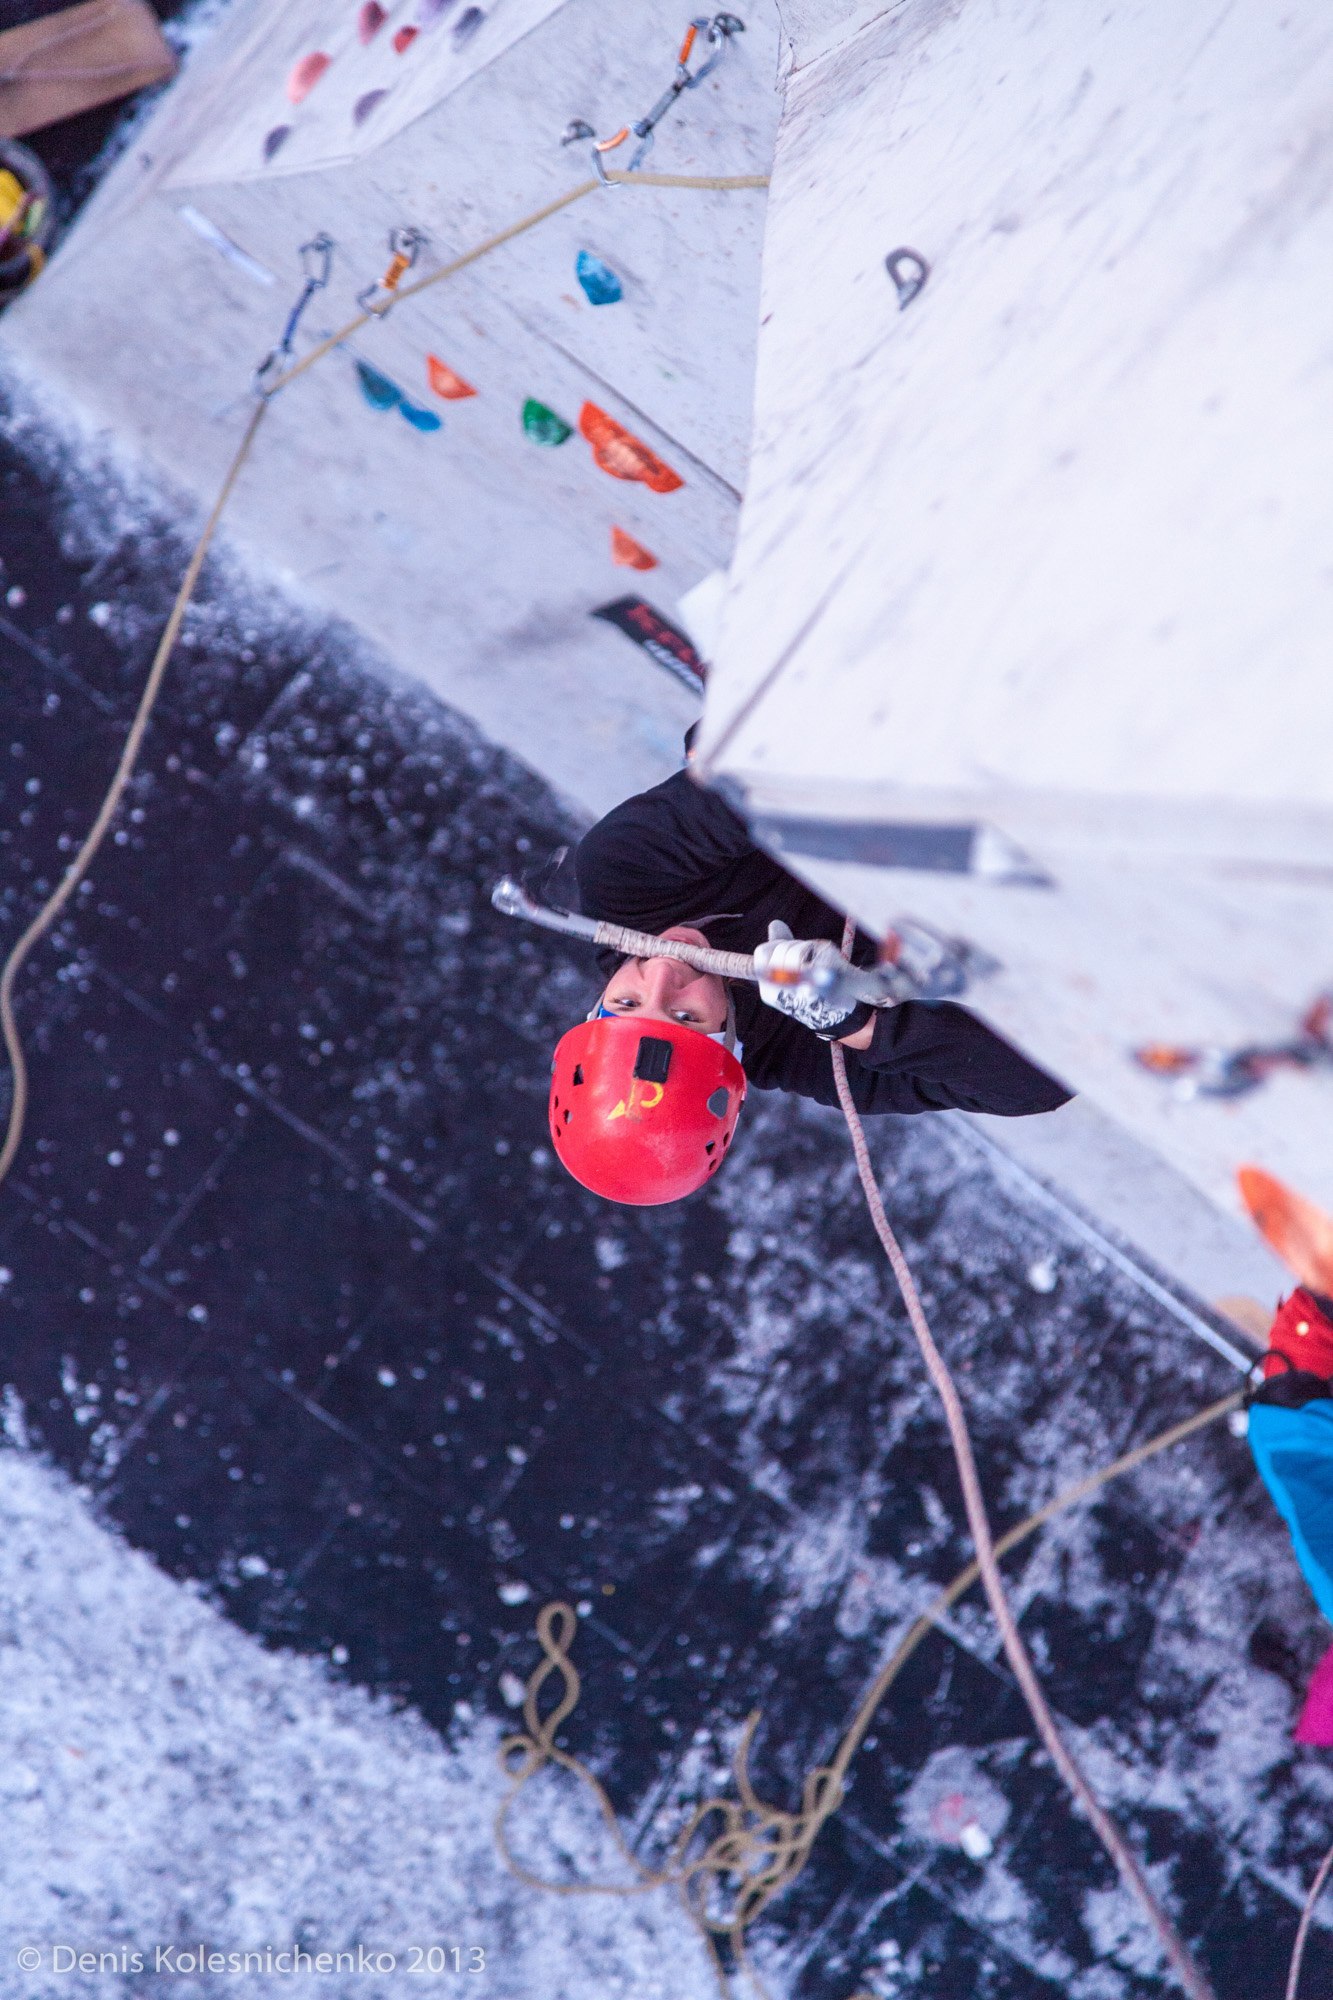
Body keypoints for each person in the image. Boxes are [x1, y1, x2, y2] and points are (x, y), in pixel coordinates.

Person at [543, 763, 1071, 1206]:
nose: (663, 972)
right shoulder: (808, 1055)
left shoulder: (620, 879)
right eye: (686, 1016)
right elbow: (1038, 1084)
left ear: (594, 1010)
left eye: (627, 1001)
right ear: (728, 1044)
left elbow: (762, 768)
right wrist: (859, 1024)